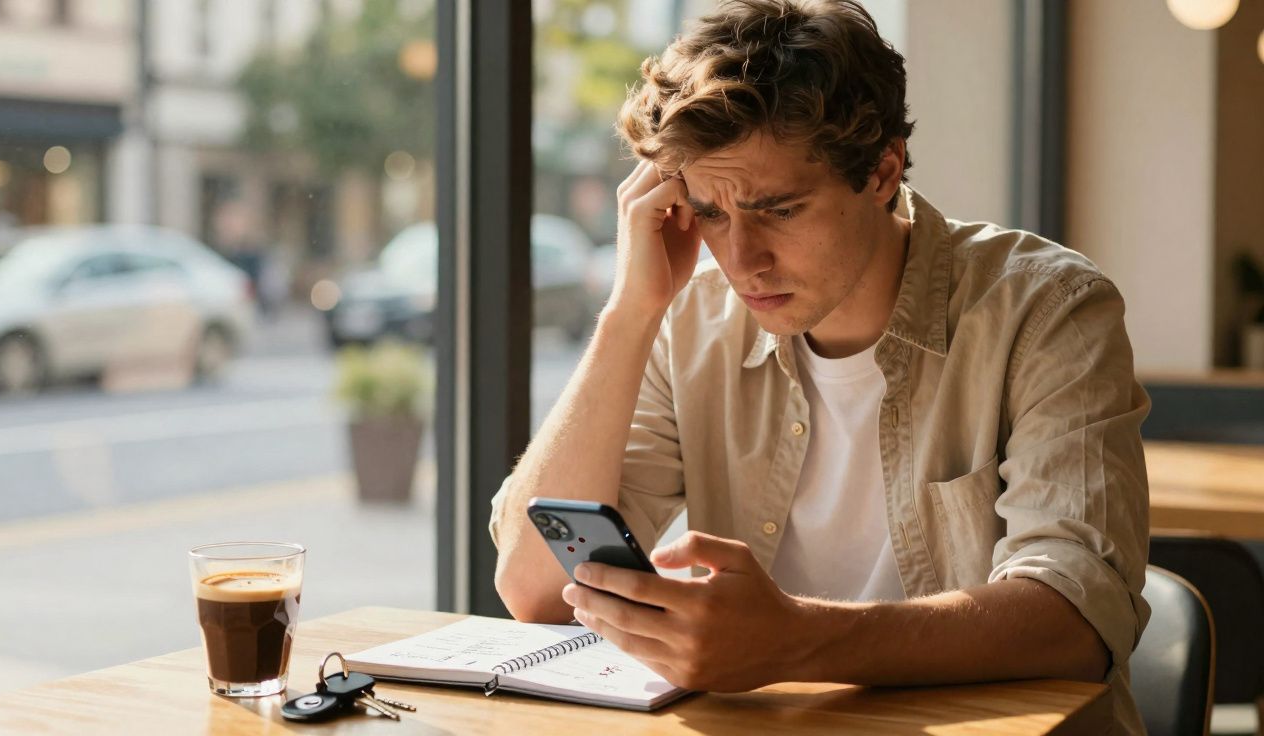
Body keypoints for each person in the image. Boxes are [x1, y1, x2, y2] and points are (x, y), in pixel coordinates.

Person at [488, 1, 1150, 732]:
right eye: (710, 212)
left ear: (882, 170)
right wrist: (629, 312)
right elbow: (533, 587)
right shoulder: (688, 319)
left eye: (779, 209)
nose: (741, 260)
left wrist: (795, 641)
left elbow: (1075, 621)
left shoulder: (1048, 309)